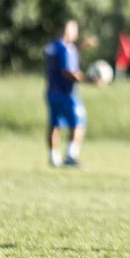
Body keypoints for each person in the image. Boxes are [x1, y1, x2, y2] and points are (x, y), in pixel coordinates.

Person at [44, 19, 93, 168]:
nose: (75, 33)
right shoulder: (66, 48)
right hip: (66, 93)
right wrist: (88, 80)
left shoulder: (51, 46)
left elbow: (62, 58)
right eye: (73, 29)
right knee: (79, 123)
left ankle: (54, 157)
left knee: (54, 124)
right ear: (65, 30)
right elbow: (67, 71)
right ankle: (71, 156)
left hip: (52, 92)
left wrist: (80, 47)